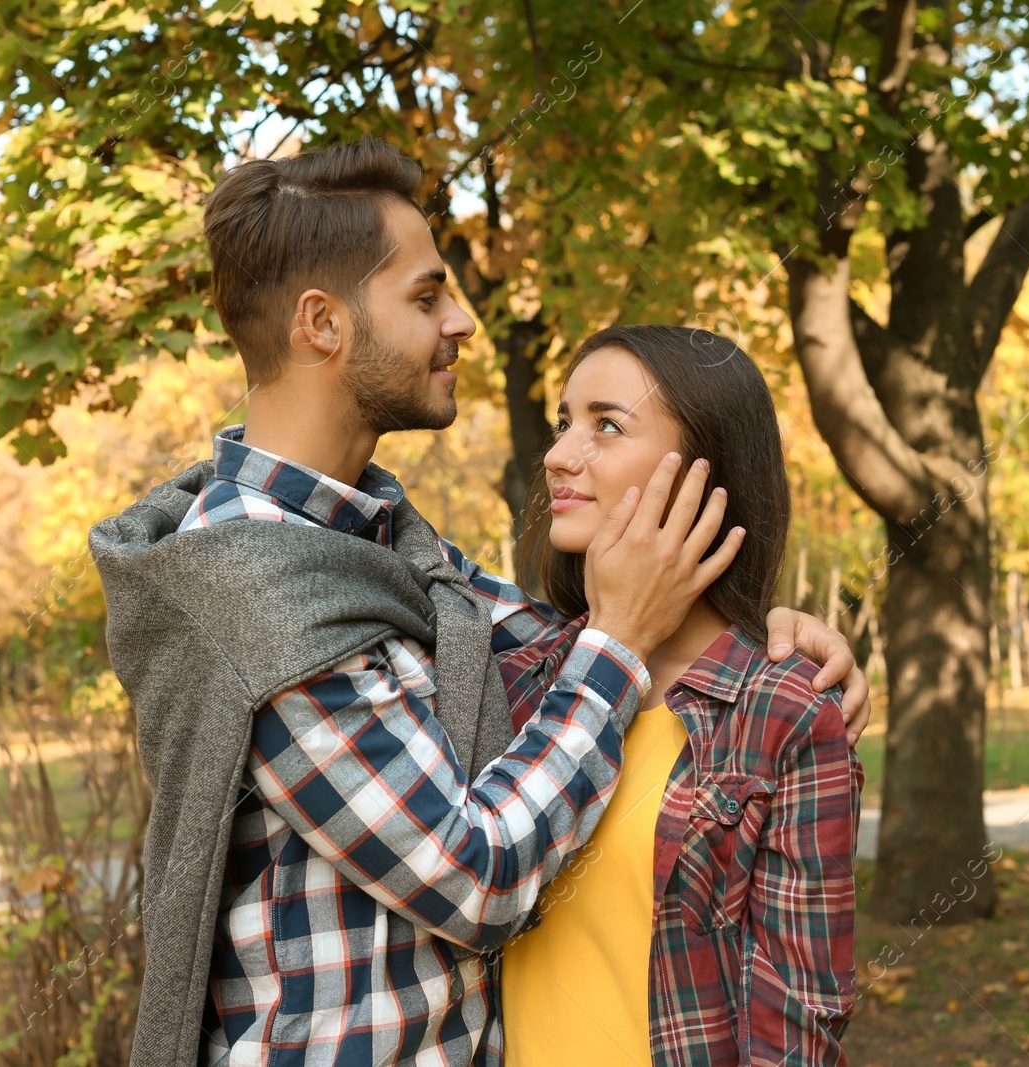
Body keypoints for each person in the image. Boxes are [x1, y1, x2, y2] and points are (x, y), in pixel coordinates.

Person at [89, 137, 869, 1067]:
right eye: (426, 296)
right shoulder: (250, 588)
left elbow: (588, 640)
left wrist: (781, 639)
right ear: (322, 323)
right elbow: (476, 878)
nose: (461, 321)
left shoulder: (387, 553)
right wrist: (619, 640)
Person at [497, 325, 863, 1066]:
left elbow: (798, 1025)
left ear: (705, 468)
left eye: (606, 424)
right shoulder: (515, 677)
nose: (560, 453)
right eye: (566, 420)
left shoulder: (786, 711)